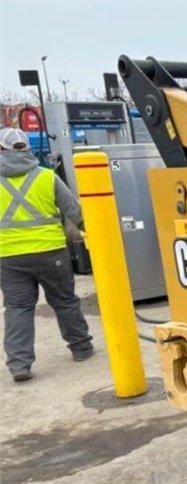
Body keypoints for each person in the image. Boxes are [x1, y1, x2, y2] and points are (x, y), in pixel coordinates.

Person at [0, 127, 93, 382]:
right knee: (64, 301)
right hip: (51, 252)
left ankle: (19, 364)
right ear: (26, 148)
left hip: (8, 256)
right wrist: (96, 235)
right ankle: (81, 348)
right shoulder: (47, 177)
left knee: (17, 308)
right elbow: (75, 211)